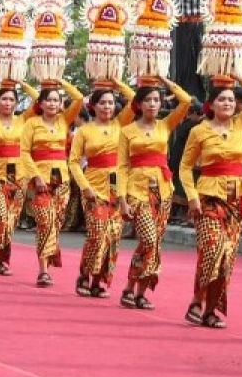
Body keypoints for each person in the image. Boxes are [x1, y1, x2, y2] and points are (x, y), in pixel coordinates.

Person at [180, 74, 242, 328]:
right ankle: (197, 300)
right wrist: (192, 197)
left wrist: (240, 78)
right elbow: (185, 167)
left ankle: (211, 310)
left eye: (231, 100)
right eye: (222, 99)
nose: (228, 104)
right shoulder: (199, 131)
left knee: (227, 257)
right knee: (212, 249)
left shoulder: (241, 124)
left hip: (235, 200)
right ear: (211, 104)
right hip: (208, 198)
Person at [117, 78, 192, 309]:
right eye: (148, 100)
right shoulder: (127, 131)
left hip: (163, 191)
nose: (153, 104)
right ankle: (133, 288)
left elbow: (186, 101)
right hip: (136, 191)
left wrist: (165, 82)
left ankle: (136, 291)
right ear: (138, 104)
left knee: (154, 243)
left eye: (156, 100)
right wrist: (121, 199)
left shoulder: (165, 125)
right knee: (149, 239)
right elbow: (121, 166)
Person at [69, 82, 136, 298]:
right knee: (97, 234)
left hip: (115, 184)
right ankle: (85, 275)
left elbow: (134, 98)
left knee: (113, 236)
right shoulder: (84, 131)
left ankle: (99, 281)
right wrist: (85, 187)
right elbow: (73, 162)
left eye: (111, 103)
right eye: (103, 103)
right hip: (93, 186)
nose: (107, 107)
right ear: (93, 106)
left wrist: (115, 82)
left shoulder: (120, 124)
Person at [21, 81, 86, 286]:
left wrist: (62, 83)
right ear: (40, 103)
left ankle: (48, 260)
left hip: (62, 181)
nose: (52, 103)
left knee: (55, 224)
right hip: (40, 181)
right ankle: (43, 270)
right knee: (45, 223)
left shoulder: (63, 121)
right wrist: (36, 176)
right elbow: (23, 152)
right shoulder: (32, 123)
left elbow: (78, 98)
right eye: (48, 100)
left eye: (56, 100)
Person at [0, 81, 39, 274]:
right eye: (3, 99)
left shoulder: (23, 121)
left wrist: (21, 82)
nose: (7, 102)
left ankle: (3, 261)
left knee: (11, 222)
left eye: (11, 99)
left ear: (16, 102)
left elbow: (38, 99)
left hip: (18, 180)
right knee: (1, 218)